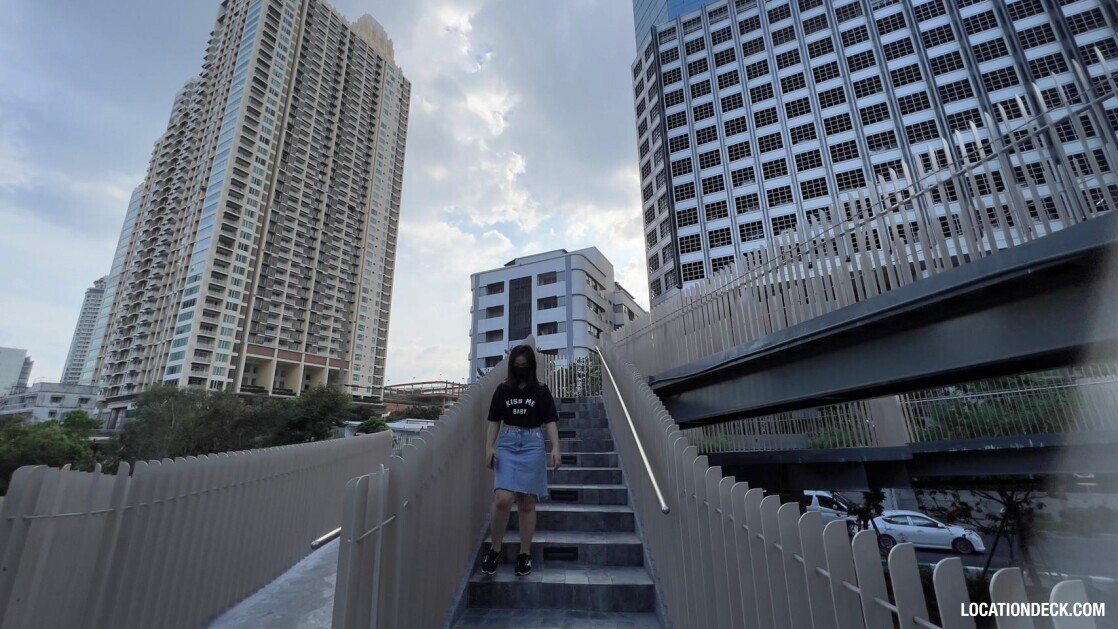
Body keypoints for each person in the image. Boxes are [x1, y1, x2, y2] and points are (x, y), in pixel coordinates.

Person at [481, 345, 561, 577]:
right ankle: (494, 550)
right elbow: (494, 421)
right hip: (507, 443)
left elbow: (550, 420)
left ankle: (524, 554)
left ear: (531, 366)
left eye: (524, 366)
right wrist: (489, 447)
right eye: (517, 366)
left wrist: (556, 447)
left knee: (526, 502)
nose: (520, 369)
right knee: (502, 499)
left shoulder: (541, 390)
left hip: (532, 444)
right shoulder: (502, 389)